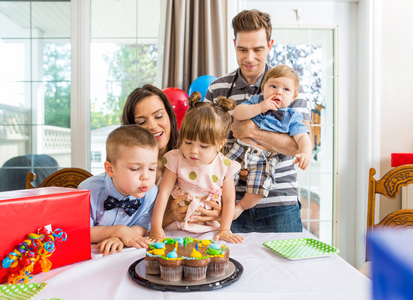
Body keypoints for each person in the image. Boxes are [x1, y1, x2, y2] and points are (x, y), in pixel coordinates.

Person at [204, 9, 313, 233]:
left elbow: (298, 145)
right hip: (228, 204)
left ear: (270, 45)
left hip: (280, 205)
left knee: (286, 269)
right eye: (242, 49)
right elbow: (206, 144)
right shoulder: (217, 89)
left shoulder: (290, 91)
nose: (250, 57)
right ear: (234, 43)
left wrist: (249, 130)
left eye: (258, 49)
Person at [149, 92, 244, 243]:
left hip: (211, 229)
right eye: (188, 142)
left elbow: (229, 200)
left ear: (219, 144)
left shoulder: (225, 167)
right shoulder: (176, 158)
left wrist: (225, 229)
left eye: (203, 146)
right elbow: (163, 193)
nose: (193, 150)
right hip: (177, 227)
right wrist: (156, 226)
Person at [122, 84, 222, 228]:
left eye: (159, 116)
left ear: (170, 116)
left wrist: (218, 212)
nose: (152, 126)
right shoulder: (128, 171)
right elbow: (126, 223)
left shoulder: (197, 156)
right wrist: (167, 217)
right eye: (142, 122)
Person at [227, 65, 312, 220]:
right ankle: (224, 204)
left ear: (294, 96)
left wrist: (305, 152)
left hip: (265, 158)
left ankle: (240, 207)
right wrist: (260, 107)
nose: (278, 92)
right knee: (223, 174)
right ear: (263, 89)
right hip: (240, 149)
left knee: (259, 187)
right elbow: (238, 113)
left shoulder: (293, 117)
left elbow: (303, 137)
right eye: (273, 86)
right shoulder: (257, 101)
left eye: (286, 89)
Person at [79, 125, 159, 256]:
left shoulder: (151, 192)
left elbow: (143, 226)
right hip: (91, 255)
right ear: (110, 169)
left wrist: (119, 238)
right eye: (134, 169)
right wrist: (117, 230)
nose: (146, 177)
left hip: (124, 255)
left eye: (152, 169)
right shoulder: (87, 191)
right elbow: (81, 233)